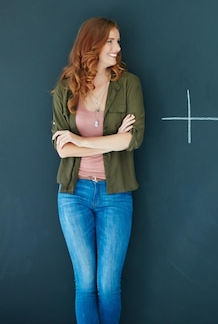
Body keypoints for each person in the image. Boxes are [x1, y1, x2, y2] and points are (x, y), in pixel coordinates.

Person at [51, 17, 145, 324]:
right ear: (91, 45)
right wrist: (113, 141)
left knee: (107, 285)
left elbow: (133, 139)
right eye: (111, 42)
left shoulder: (128, 84)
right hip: (73, 194)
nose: (118, 48)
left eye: (118, 41)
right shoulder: (66, 89)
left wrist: (81, 139)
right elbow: (62, 148)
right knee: (86, 282)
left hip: (115, 194)